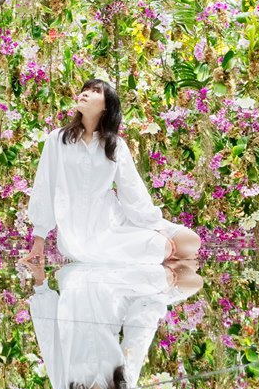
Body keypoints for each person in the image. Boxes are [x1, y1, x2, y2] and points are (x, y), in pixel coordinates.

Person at [28, 259, 203, 389]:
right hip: (107, 286)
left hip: (72, 284)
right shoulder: (123, 384)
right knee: (190, 279)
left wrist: (41, 283)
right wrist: (164, 288)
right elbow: (138, 333)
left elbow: (50, 340)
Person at [20, 80, 202, 268]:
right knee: (161, 247)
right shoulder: (57, 139)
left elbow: (131, 189)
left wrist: (157, 227)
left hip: (115, 220)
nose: (85, 93)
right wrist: (39, 238)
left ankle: (154, 250)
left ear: (106, 107)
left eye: (95, 91)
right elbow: (45, 186)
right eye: (84, 90)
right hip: (79, 233)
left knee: (190, 242)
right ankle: (151, 261)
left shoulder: (115, 144)